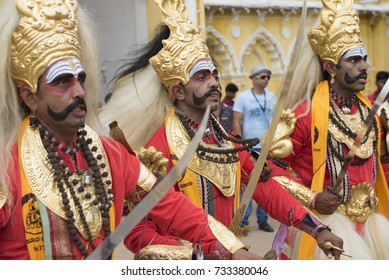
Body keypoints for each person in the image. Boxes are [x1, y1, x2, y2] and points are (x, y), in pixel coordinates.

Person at [0, 0, 269, 260]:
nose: (80, 91)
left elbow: (169, 205)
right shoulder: (6, 167)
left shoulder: (108, 153)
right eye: (62, 82)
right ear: (29, 96)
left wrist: (233, 250)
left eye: (81, 79)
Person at [99, 0, 344, 260]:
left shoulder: (225, 143)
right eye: (202, 77)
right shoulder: (158, 151)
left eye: (214, 75)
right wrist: (200, 256)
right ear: (178, 91)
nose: (214, 83)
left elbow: (269, 190)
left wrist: (317, 228)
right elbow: (138, 232)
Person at [267, 0, 389, 259]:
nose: (364, 66)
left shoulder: (371, 115)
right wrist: (312, 198)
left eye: (364, 59)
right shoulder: (303, 115)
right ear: (331, 67)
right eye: (354, 60)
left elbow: (381, 170)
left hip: (373, 227)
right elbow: (268, 171)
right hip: (327, 229)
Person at [232, 66, 277, 233]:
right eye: (263, 77)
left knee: (265, 183)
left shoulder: (272, 97)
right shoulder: (243, 97)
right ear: (254, 79)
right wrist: (240, 144)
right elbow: (237, 121)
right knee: (247, 182)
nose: (266, 80)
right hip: (249, 146)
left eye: (268, 77)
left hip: (267, 147)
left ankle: (263, 220)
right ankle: (243, 220)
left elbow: (276, 121)